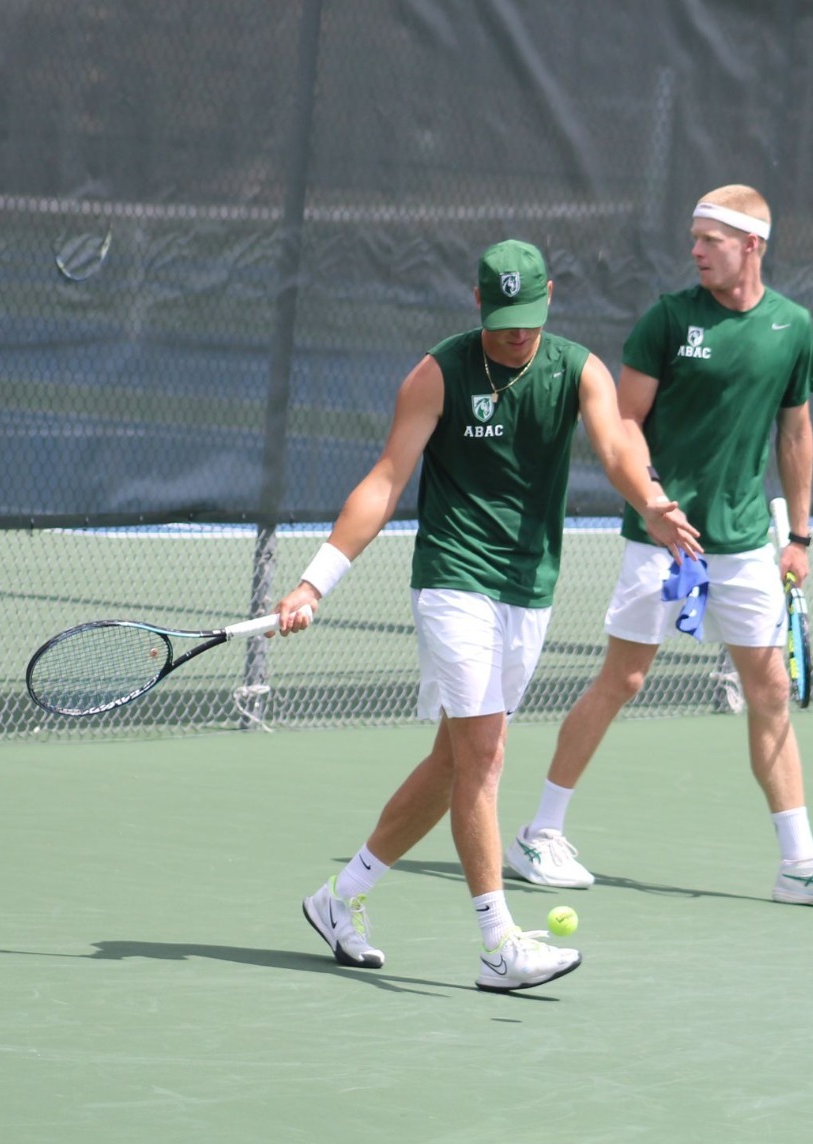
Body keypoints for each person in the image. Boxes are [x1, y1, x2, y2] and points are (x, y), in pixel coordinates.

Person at [271, 239, 699, 993]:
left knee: (452, 764)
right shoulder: (437, 374)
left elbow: (614, 447)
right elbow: (385, 479)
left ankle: (339, 899)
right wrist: (315, 582)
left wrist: (653, 502)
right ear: (477, 304)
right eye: (501, 321)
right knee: (488, 755)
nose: (514, 335)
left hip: (527, 587)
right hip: (452, 577)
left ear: (550, 300)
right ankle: (498, 942)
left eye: (527, 321)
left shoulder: (578, 369)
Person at [503, 186, 813, 906]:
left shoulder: (792, 327)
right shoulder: (669, 320)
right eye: (694, 237)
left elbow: (795, 431)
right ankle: (539, 835)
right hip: (664, 536)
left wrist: (799, 535)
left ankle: (798, 862)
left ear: (753, 245)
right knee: (623, 680)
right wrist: (654, 503)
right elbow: (622, 421)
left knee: (770, 688)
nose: (696, 249)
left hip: (745, 543)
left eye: (711, 238)